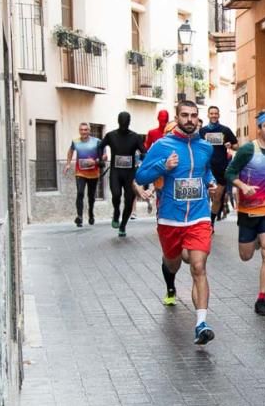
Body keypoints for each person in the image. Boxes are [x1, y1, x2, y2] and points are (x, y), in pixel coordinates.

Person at [135, 100, 218, 343]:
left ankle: (201, 323)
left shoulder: (205, 147)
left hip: (199, 216)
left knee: (198, 266)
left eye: (194, 115)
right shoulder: (163, 145)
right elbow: (141, 176)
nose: (190, 119)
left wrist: (210, 182)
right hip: (170, 219)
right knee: (172, 264)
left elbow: (205, 171)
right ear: (177, 117)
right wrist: (164, 165)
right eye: (185, 115)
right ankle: (170, 284)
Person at [225, 110, 265, 316]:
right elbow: (229, 172)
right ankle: (254, 240)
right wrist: (242, 186)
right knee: (245, 255)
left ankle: (261, 299)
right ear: (259, 129)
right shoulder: (247, 150)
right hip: (247, 211)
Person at [98, 111, 145, 237]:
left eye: (126, 120)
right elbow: (100, 146)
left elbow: (143, 151)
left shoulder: (135, 137)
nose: (124, 123)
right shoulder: (110, 135)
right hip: (116, 172)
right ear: (118, 121)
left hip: (130, 173)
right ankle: (116, 212)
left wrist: (143, 164)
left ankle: (123, 225)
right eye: (122, 120)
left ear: (129, 122)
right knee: (116, 194)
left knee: (129, 200)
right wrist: (101, 159)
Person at [199, 105, 238, 229]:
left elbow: (237, 145)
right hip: (205, 168)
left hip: (220, 168)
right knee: (204, 197)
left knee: (217, 198)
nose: (214, 115)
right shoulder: (203, 131)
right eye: (212, 113)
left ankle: (211, 222)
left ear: (219, 115)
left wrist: (230, 145)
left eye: (216, 113)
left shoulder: (225, 130)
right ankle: (203, 222)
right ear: (208, 115)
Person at [63, 122, 101, 227]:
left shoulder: (97, 141)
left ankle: (91, 213)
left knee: (91, 196)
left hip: (93, 173)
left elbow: (104, 156)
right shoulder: (75, 141)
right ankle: (79, 217)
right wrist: (68, 163)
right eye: (81, 130)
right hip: (80, 173)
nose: (83, 132)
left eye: (86, 130)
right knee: (80, 193)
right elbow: (70, 151)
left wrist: (95, 161)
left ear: (89, 131)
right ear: (79, 131)